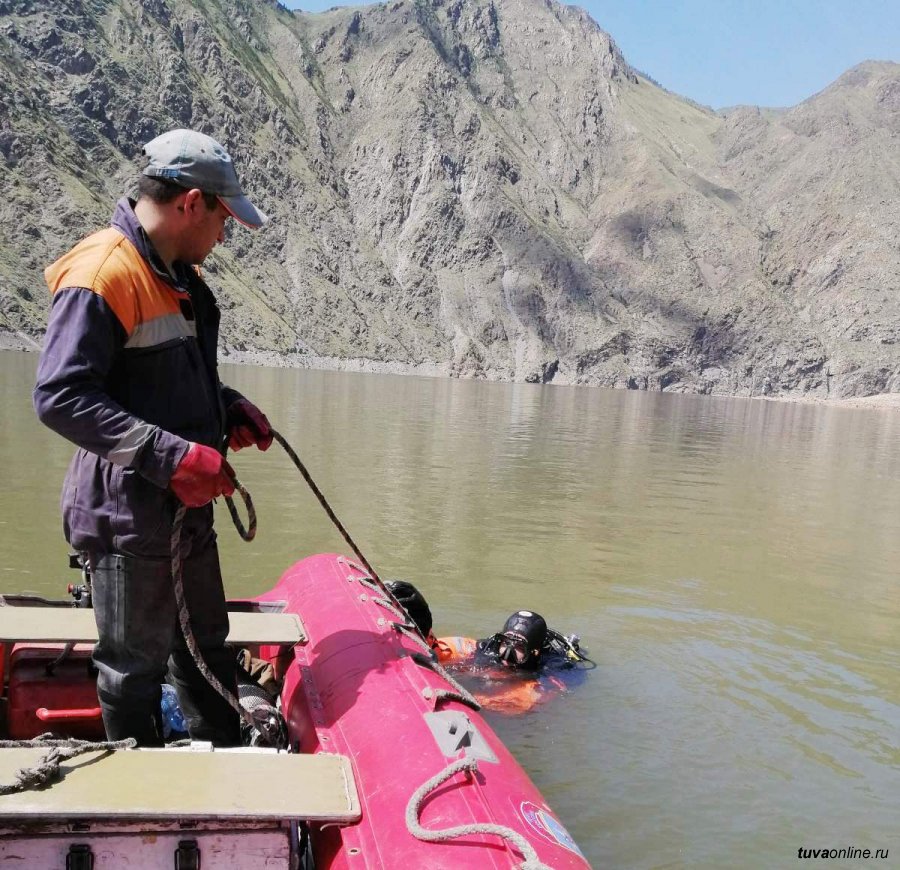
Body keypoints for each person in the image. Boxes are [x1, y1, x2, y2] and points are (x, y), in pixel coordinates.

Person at [33, 129, 273, 747]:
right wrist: (174, 458)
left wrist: (227, 407)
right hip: (129, 518)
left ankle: (220, 768)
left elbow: (161, 381)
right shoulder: (103, 273)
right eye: (222, 219)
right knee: (132, 671)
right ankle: (139, 786)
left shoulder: (174, 275)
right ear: (191, 203)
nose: (223, 236)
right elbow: (60, 396)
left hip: (182, 511)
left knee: (206, 648)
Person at [386, 581, 592, 713]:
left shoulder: (553, 670)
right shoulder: (491, 648)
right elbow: (444, 649)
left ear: (535, 653)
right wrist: (420, 621)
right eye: (506, 642)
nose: (507, 653)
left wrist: (472, 700)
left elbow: (521, 702)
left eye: (518, 648)